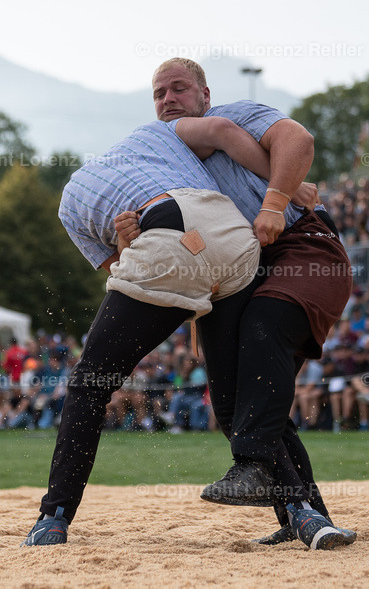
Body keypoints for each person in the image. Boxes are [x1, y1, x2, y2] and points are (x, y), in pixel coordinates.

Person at [23, 96, 290, 547]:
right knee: (236, 393)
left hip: (164, 232)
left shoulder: (71, 202)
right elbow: (226, 131)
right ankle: (301, 511)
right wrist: (283, 192)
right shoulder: (164, 136)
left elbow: (130, 272)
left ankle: (55, 516)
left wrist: (130, 244)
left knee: (90, 384)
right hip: (235, 237)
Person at [144, 58, 355, 548]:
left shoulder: (235, 115)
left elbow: (298, 141)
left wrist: (275, 203)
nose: (168, 99)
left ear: (205, 94)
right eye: (159, 93)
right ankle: (307, 516)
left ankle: (253, 465)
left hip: (303, 244)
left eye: (179, 89)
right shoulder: (166, 155)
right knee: (235, 400)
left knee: (264, 328)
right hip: (237, 267)